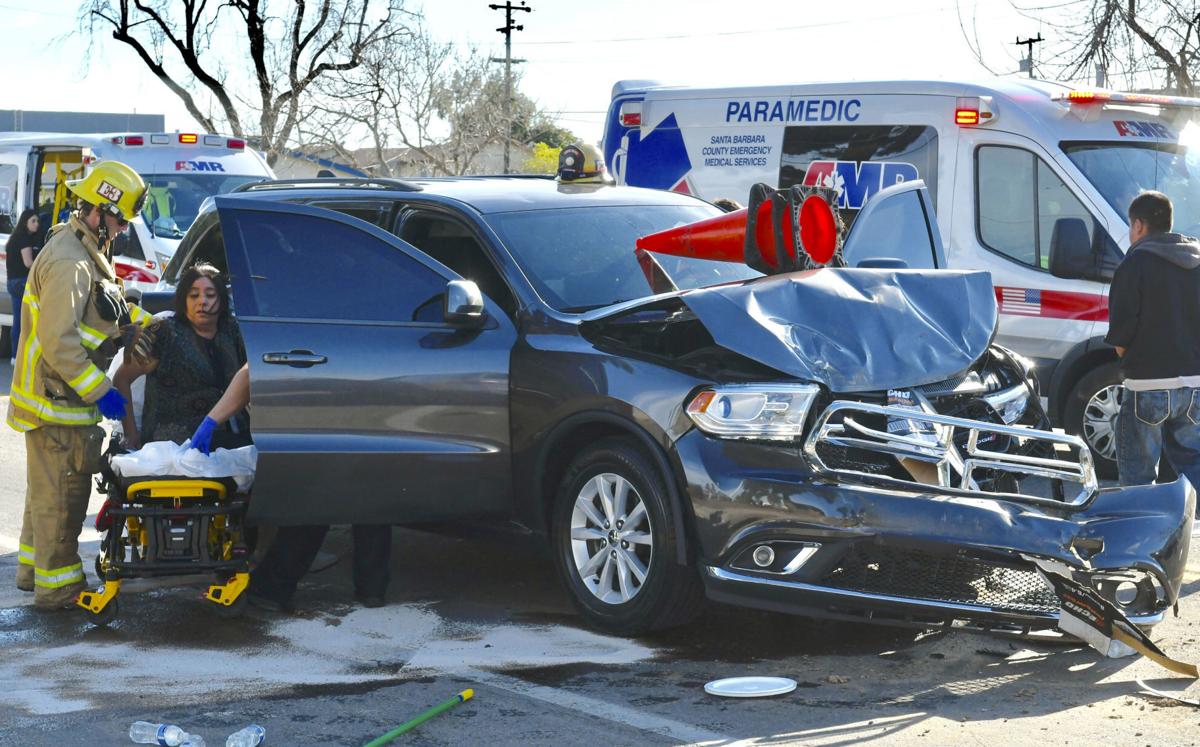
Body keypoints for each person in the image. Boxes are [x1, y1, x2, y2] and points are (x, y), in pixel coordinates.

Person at [8, 160, 151, 609]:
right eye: (121, 218)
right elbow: (60, 343)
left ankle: (34, 573)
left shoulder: (84, 248)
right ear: (98, 210)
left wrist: (149, 324)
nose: (124, 228)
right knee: (63, 500)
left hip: (56, 400)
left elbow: (103, 312)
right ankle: (60, 591)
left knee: (46, 496)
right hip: (56, 404)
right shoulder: (71, 261)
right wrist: (100, 390)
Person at [187, 363, 393, 612]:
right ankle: (372, 587)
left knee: (317, 492)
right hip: (380, 390)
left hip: (322, 398)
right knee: (371, 478)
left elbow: (249, 372)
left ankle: (273, 588)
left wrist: (211, 420)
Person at [1106, 190, 1200, 490]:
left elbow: (1121, 335)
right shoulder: (1196, 262)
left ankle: (1146, 534)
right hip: (1195, 386)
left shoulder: (1133, 264)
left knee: (1138, 477)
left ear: (1139, 225)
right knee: (1194, 465)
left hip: (1146, 384)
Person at [113, 263, 251, 450]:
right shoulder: (162, 332)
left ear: (221, 300)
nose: (202, 301)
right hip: (172, 445)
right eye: (194, 295)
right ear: (183, 300)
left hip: (231, 441)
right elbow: (121, 379)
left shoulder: (233, 332)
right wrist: (131, 434)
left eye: (210, 295)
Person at [6, 209, 41, 361]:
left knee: (17, 320)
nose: (37, 224)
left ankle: (14, 356)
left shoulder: (14, 238)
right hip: (21, 282)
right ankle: (24, 356)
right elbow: (28, 263)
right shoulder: (24, 239)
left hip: (11, 282)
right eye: (33, 221)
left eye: (37, 221)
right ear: (25, 222)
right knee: (29, 320)